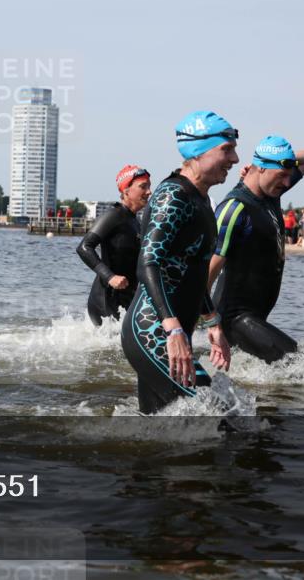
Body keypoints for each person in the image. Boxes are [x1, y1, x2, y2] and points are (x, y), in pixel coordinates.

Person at [120, 110, 235, 413]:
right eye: (226, 149)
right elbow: (148, 262)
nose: (234, 159)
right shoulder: (173, 196)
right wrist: (172, 330)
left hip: (170, 331)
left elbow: (193, 271)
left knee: (157, 430)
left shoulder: (199, 200)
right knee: (220, 413)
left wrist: (213, 323)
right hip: (153, 332)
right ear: (198, 151)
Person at [208, 135, 304, 365]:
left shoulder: (272, 194)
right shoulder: (234, 208)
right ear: (261, 169)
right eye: (282, 175)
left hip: (256, 317)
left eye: (289, 175)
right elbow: (208, 271)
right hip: (236, 319)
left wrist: (282, 160)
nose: (287, 183)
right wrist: (207, 324)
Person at [76, 165, 151, 326]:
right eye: (143, 186)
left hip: (126, 300)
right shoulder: (113, 216)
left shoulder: (135, 221)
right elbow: (84, 247)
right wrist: (110, 276)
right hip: (105, 301)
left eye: (149, 186)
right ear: (126, 191)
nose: (149, 191)